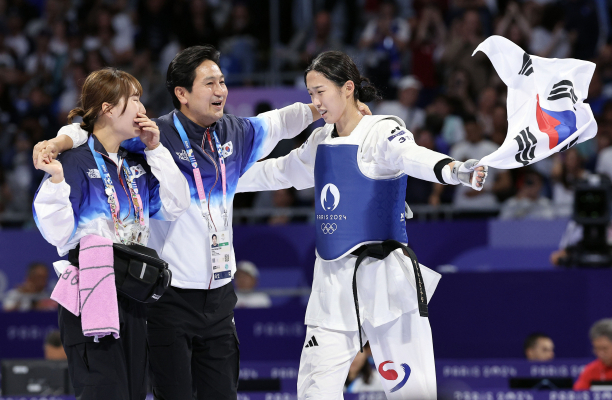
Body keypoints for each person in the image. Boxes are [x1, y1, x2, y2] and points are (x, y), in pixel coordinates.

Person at [33, 45, 370, 400]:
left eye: (222, 82)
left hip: (219, 297)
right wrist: (59, 140)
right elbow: (93, 131)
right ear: (182, 93)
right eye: (209, 83)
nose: (221, 90)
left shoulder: (232, 132)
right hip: (165, 296)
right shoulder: (150, 133)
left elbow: (281, 121)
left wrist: (332, 107)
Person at [237, 51, 487, 399]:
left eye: (320, 91)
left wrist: (453, 170)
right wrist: (223, 178)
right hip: (331, 284)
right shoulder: (320, 139)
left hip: (386, 280)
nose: (315, 102)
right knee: (314, 392)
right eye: (310, 93)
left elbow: (411, 156)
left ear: (348, 88)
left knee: (413, 394)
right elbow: (279, 170)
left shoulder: (383, 130)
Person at [33, 68, 190, 400]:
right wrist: (58, 182)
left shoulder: (136, 163)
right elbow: (56, 234)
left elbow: (176, 204)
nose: (142, 108)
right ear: (107, 108)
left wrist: (156, 149)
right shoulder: (73, 161)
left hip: (134, 293)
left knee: (133, 394)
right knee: (105, 393)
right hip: (92, 292)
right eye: (133, 99)